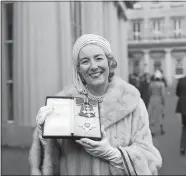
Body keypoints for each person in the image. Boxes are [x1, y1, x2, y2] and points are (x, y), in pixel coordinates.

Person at [29, 34, 162, 175]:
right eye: (85, 61)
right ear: (78, 69)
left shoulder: (132, 102)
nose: (93, 66)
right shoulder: (64, 102)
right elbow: (49, 162)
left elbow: (151, 158)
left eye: (98, 58)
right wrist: (45, 136)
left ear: (109, 62)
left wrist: (115, 155)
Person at [148, 70, 166, 136]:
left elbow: (149, 92)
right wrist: (164, 102)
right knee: (160, 114)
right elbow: (163, 94)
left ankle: (153, 131)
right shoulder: (162, 84)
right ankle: (161, 129)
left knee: (152, 115)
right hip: (159, 99)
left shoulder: (151, 84)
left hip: (152, 99)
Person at [175, 75, 186, 156]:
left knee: (184, 127)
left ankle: (182, 147)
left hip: (183, 105)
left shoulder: (181, 80)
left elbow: (177, 93)